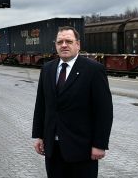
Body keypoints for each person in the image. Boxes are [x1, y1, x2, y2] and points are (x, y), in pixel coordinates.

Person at [32, 26, 113, 178]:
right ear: (55, 45)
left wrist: (99, 145)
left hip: (82, 149)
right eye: (60, 42)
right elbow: (41, 105)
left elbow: (104, 111)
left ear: (78, 45)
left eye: (68, 41)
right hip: (52, 149)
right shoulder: (47, 69)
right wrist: (39, 136)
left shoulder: (94, 70)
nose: (64, 45)